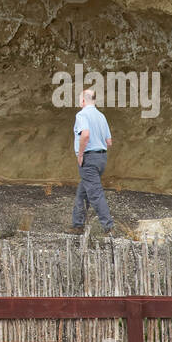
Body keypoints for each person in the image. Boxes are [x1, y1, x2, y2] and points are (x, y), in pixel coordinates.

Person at [68, 88, 114, 235]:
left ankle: (108, 227)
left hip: (89, 158)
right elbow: (109, 141)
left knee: (95, 193)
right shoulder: (102, 116)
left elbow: (85, 135)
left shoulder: (81, 115)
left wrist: (80, 154)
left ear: (83, 101)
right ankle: (77, 225)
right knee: (82, 192)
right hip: (102, 158)